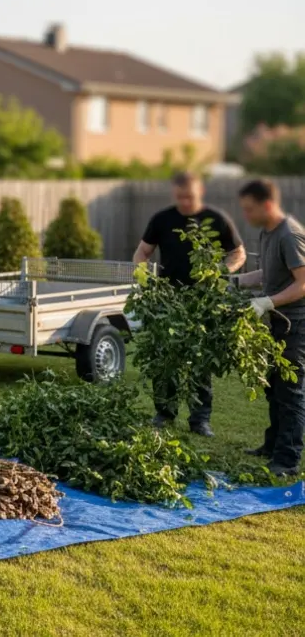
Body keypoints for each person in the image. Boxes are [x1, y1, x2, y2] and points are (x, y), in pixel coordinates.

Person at [132, 171, 245, 436]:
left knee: (200, 361)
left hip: (203, 302)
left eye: (190, 197)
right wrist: (142, 276)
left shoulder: (216, 219)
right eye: (181, 197)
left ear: (200, 192)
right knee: (165, 359)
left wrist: (221, 272)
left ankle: (200, 420)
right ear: (175, 193)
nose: (185, 202)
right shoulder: (162, 219)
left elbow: (238, 253)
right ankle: (164, 412)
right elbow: (142, 252)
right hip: (167, 300)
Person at [232, 178, 305, 478]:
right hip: (276, 322)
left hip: (297, 324)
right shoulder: (268, 232)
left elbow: (303, 283)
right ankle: (273, 445)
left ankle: (287, 461)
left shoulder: (290, 234)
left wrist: (268, 303)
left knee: (291, 392)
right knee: (273, 387)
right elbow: (271, 271)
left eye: (249, 210)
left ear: (266, 205)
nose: (245, 216)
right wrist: (236, 281)